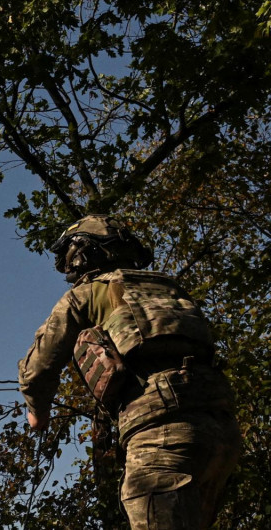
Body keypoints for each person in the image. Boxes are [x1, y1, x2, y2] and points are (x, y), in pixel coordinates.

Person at [18, 214, 241, 529]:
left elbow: (39, 367)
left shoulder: (86, 294)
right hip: (221, 429)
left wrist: (37, 412)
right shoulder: (169, 287)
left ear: (80, 255)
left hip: (159, 431)